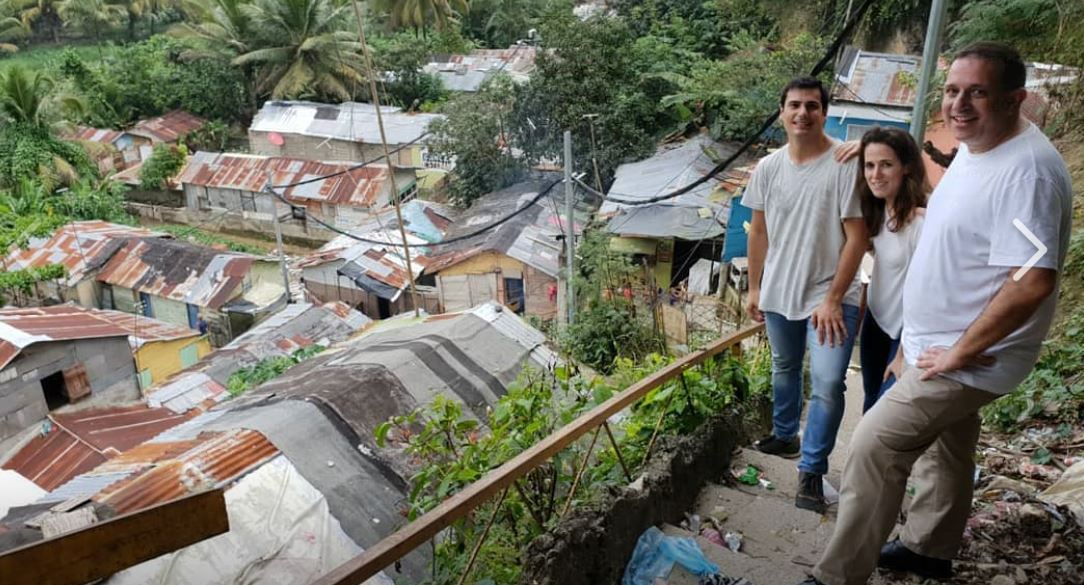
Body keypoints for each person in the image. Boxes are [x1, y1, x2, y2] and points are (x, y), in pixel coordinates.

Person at [800, 41, 1073, 585]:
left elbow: (1032, 279)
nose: (959, 105)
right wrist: (912, 340)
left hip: (969, 354)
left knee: (875, 444)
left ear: (1016, 98)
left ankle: (838, 575)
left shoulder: (1028, 174)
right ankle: (930, 547)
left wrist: (958, 352)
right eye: (952, 91)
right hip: (937, 341)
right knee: (949, 446)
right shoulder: (980, 148)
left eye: (977, 93)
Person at [742, 76, 867, 514]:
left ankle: (812, 471)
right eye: (794, 105)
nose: (802, 113)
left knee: (830, 383)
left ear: (824, 112)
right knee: (784, 366)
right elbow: (758, 229)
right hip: (779, 291)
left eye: (812, 106)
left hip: (832, 297)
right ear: (781, 112)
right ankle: (784, 435)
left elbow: (857, 237)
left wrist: (833, 298)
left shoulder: (844, 163)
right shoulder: (768, 167)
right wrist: (755, 286)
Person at [855, 128, 928, 412]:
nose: (876, 174)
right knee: (870, 402)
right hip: (876, 320)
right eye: (869, 165)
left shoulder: (922, 222)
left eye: (887, 165)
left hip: (906, 329)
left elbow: (924, 292)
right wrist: (856, 146)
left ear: (907, 168)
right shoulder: (875, 211)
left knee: (885, 413)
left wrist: (902, 353)